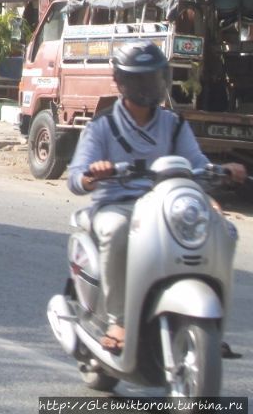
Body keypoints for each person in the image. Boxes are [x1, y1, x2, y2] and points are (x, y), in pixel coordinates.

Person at [68, 41, 246, 354]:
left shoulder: (174, 124)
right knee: (117, 230)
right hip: (117, 205)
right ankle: (118, 319)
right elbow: (76, 178)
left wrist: (223, 171)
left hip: (166, 203)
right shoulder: (102, 127)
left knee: (224, 232)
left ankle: (212, 324)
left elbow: (197, 165)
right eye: (141, 80)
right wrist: (93, 174)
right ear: (122, 83)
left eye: (154, 78)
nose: (150, 87)